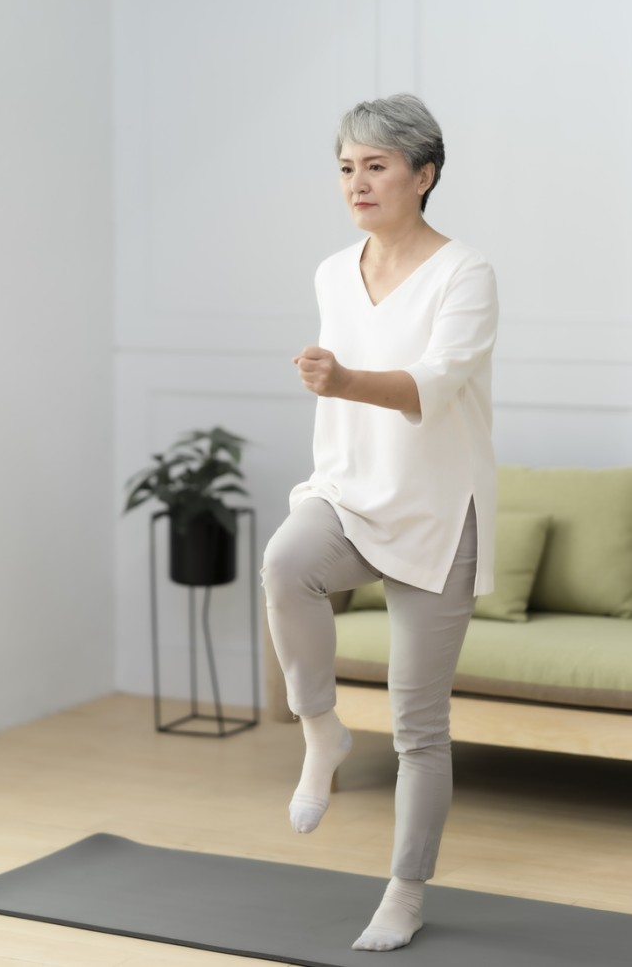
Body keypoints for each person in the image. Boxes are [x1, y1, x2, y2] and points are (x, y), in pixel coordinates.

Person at [261, 93, 498, 952]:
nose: (356, 183)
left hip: (438, 515)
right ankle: (319, 727)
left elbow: (433, 385)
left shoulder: (464, 272)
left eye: (375, 166)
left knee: (417, 726)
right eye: (345, 168)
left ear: (423, 174)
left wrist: (342, 380)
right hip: (350, 493)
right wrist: (338, 391)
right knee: (285, 565)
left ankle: (404, 891)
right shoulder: (332, 270)